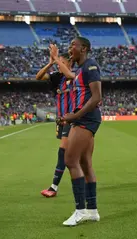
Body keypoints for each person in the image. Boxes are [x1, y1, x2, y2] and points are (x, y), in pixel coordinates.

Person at [57, 37, 102, 226]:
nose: (69, 50)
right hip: (83, 118)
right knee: (85, 164)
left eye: (72, 46)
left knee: (70, 160)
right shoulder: (80, 70)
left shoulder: (90, 66)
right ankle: (92, 211)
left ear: (83, 48)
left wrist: (74, 117)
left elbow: (96, 97)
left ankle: (80, 210)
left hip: (86, 119)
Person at [36, 51, 74, 198]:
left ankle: (53, 187)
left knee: (63, 152)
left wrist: (57, 60)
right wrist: (51, 63)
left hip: (73, 119)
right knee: (73, 154)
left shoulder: (76, 75)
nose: (59, 66)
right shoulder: (57, 78)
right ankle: (84, 181)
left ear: (70, 63)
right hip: (61, 120)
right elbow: (38, 76)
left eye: (62, 63)